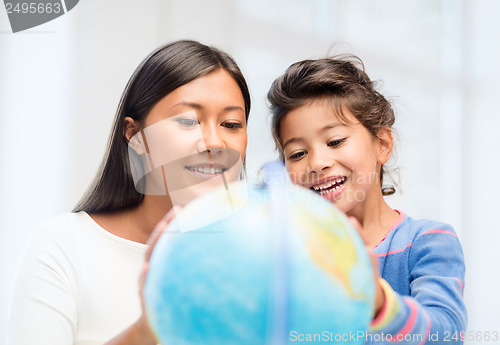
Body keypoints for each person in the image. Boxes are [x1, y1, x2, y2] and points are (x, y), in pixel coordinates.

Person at [7, 40, 251, 345]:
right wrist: (145, 332)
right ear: (135, 136)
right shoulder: (65, 246)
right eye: (189, 121)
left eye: (231, 124)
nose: (215, 142)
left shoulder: (258, 260)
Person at [267, 56, 466, 344]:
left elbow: (446, 333)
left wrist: (379, 303)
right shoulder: (291, 255)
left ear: (382, 144)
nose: (317, 162)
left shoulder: (428, 241)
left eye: (335, 141)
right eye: (297, 154)